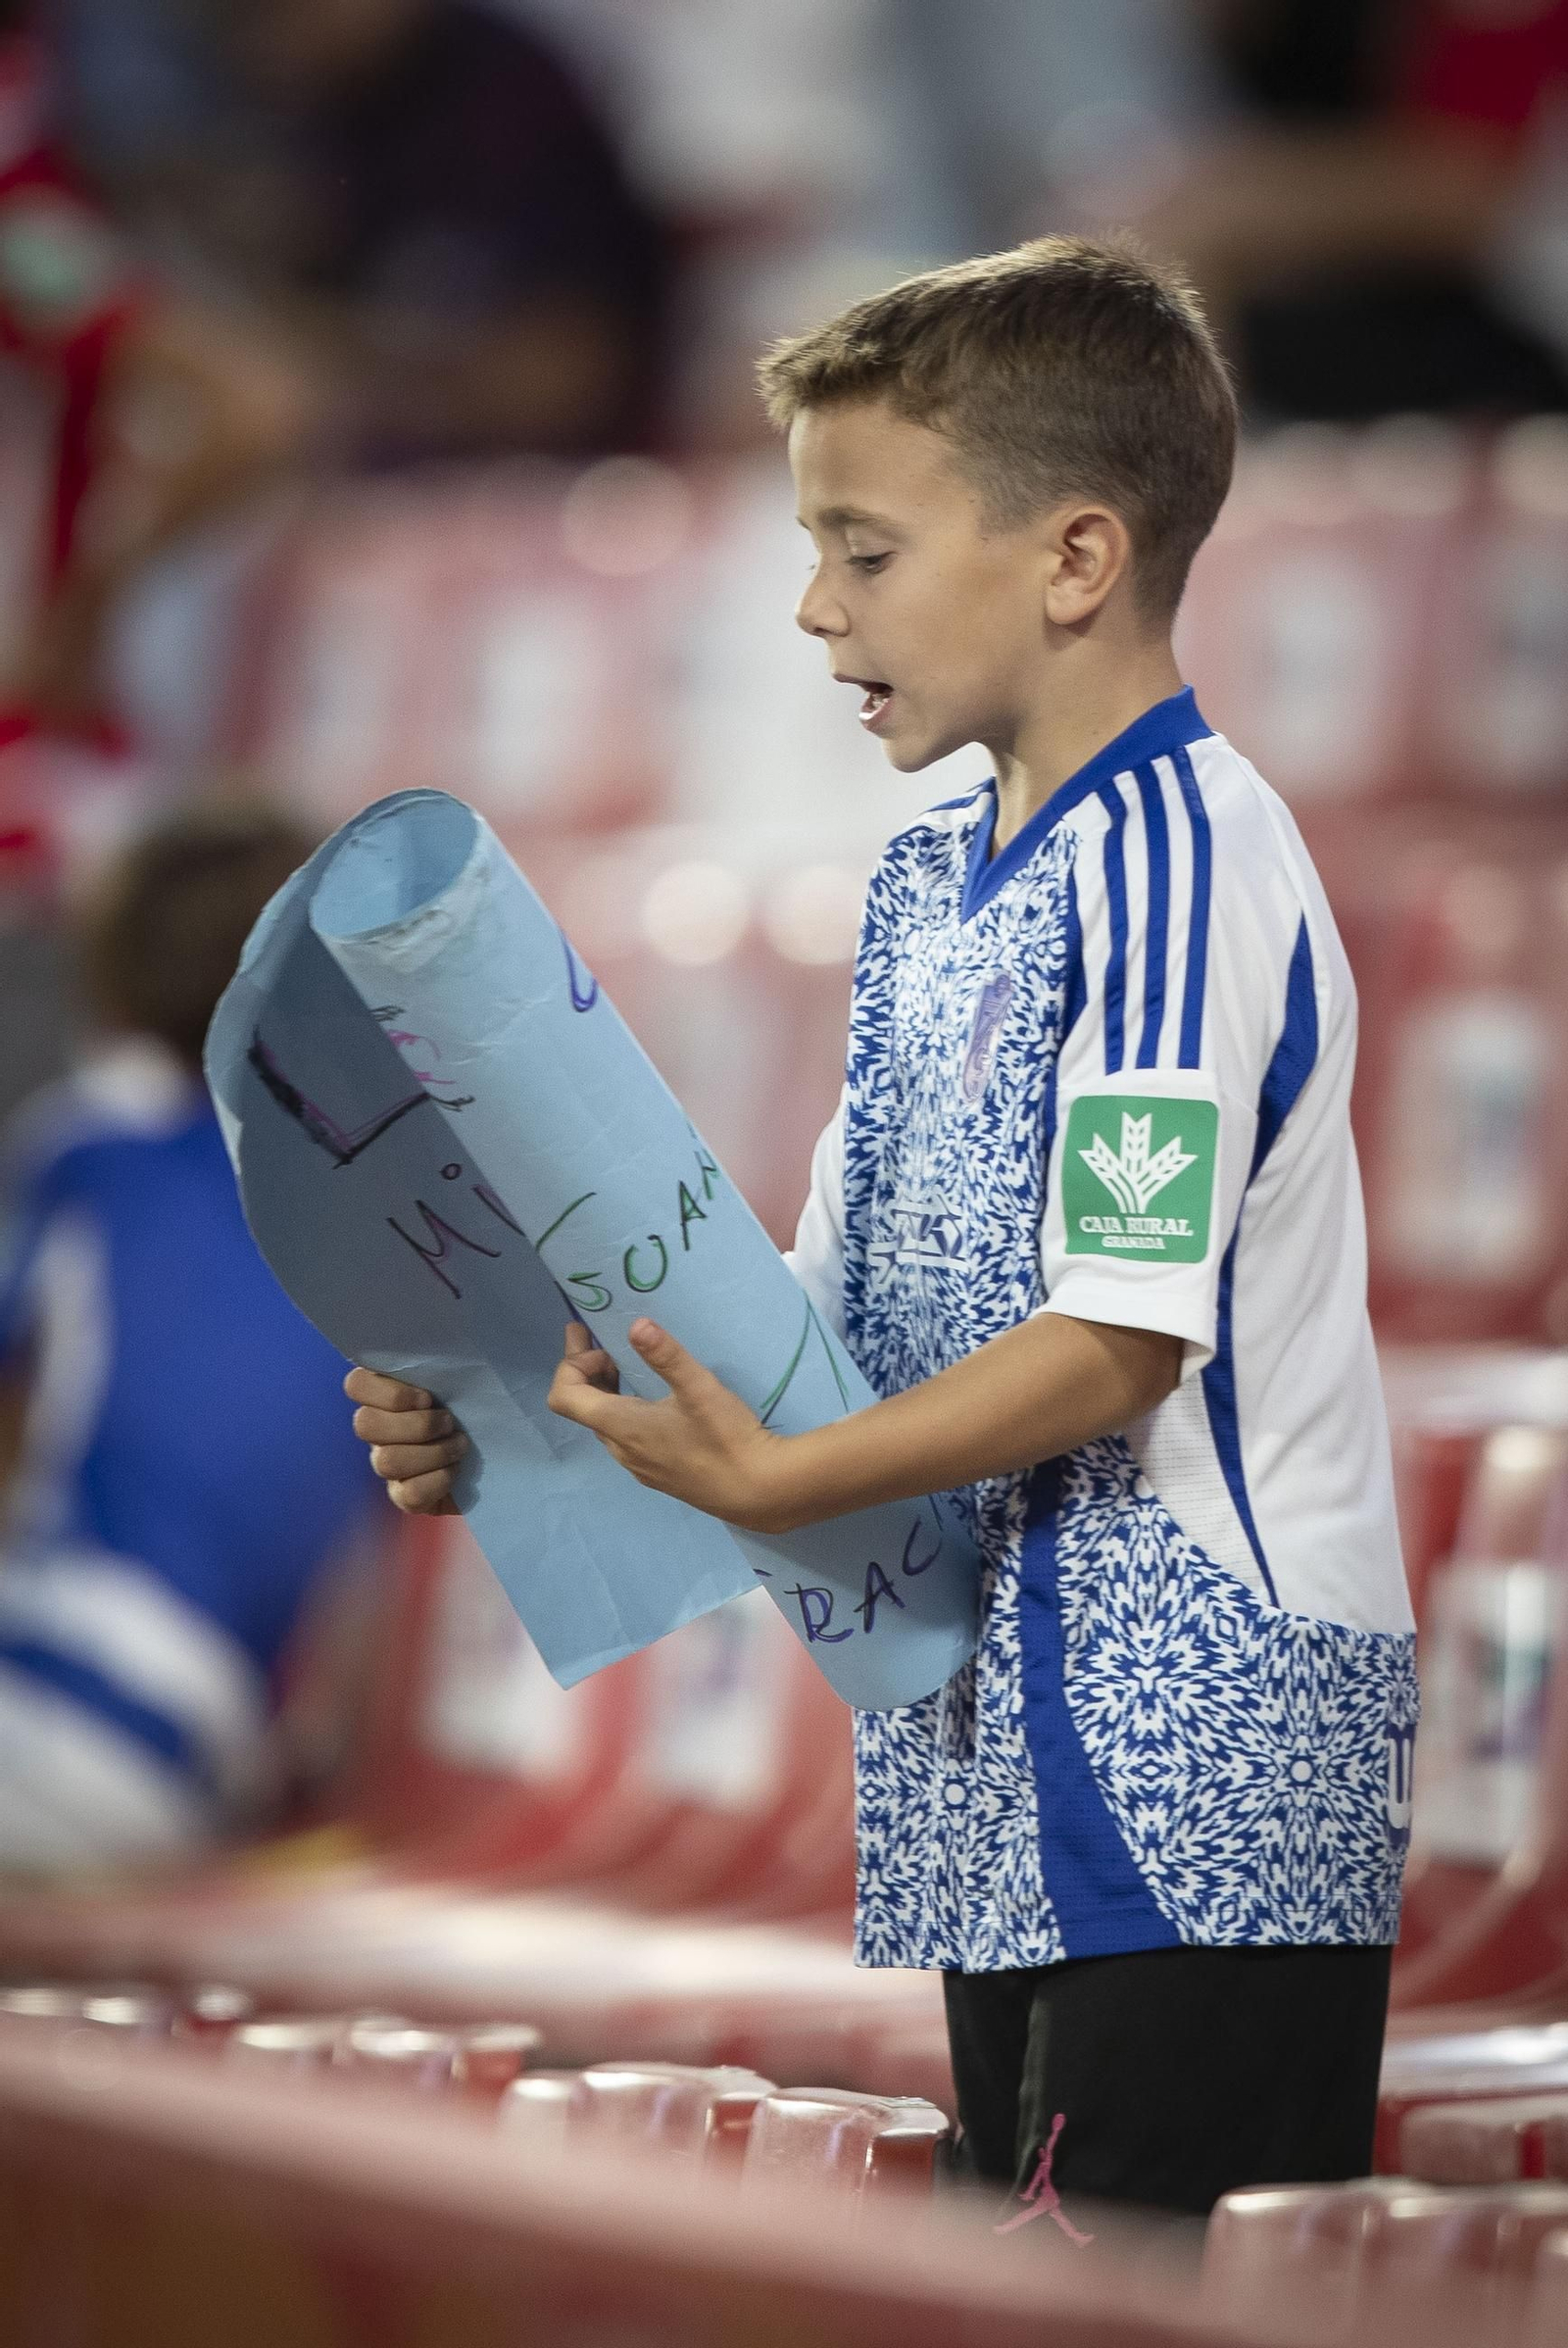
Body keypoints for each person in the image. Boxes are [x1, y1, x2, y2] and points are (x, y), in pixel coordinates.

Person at [343, 236, 1419, 2223]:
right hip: (978, 1733)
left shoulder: (1183, 865)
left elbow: (1116, 1337)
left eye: (861, 549)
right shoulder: (931, 877)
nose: (809, 604)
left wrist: (788, 1465)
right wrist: (512, 1419)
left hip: (1192, 1755)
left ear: (1072, 559)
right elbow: (800, 1327)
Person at [0, 807, 377, 1870]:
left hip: (52, 1690)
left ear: (110, 986)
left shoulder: (91, 1157)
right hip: (199, 1744)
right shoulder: (390, 1217)